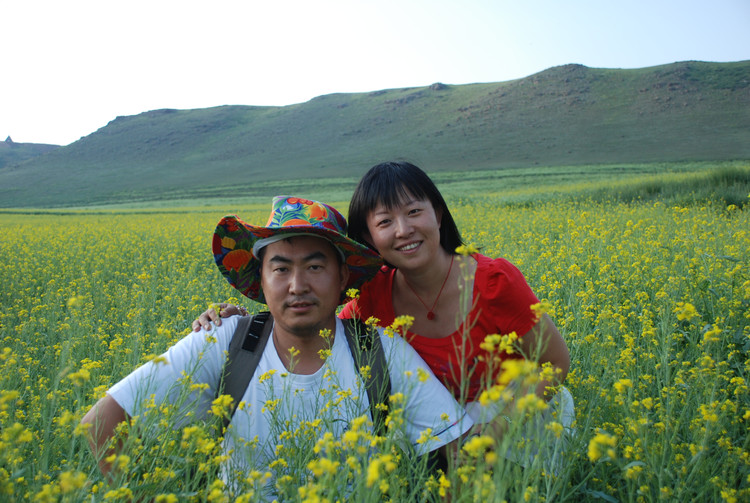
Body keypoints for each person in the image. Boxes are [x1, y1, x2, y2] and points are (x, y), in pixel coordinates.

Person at [81, 195, 471, 494]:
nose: (297, 286)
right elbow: (99, 423)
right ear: (261, 280)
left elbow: (460, 455)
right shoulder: (224, 342)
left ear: (342, 278)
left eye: (315, 267)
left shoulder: (380, 351)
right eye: (281, 268)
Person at [197, 163, 572, 425]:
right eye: (385, 222)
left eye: (414, 212)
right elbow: (318, 329)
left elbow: (555, 363)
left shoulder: (494, 283)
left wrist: (496, 429)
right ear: (368, 238)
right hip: (439, 426)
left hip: (521, 415)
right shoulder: (373, 295)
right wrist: (240, 326)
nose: (403, 230)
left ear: (438, 215)